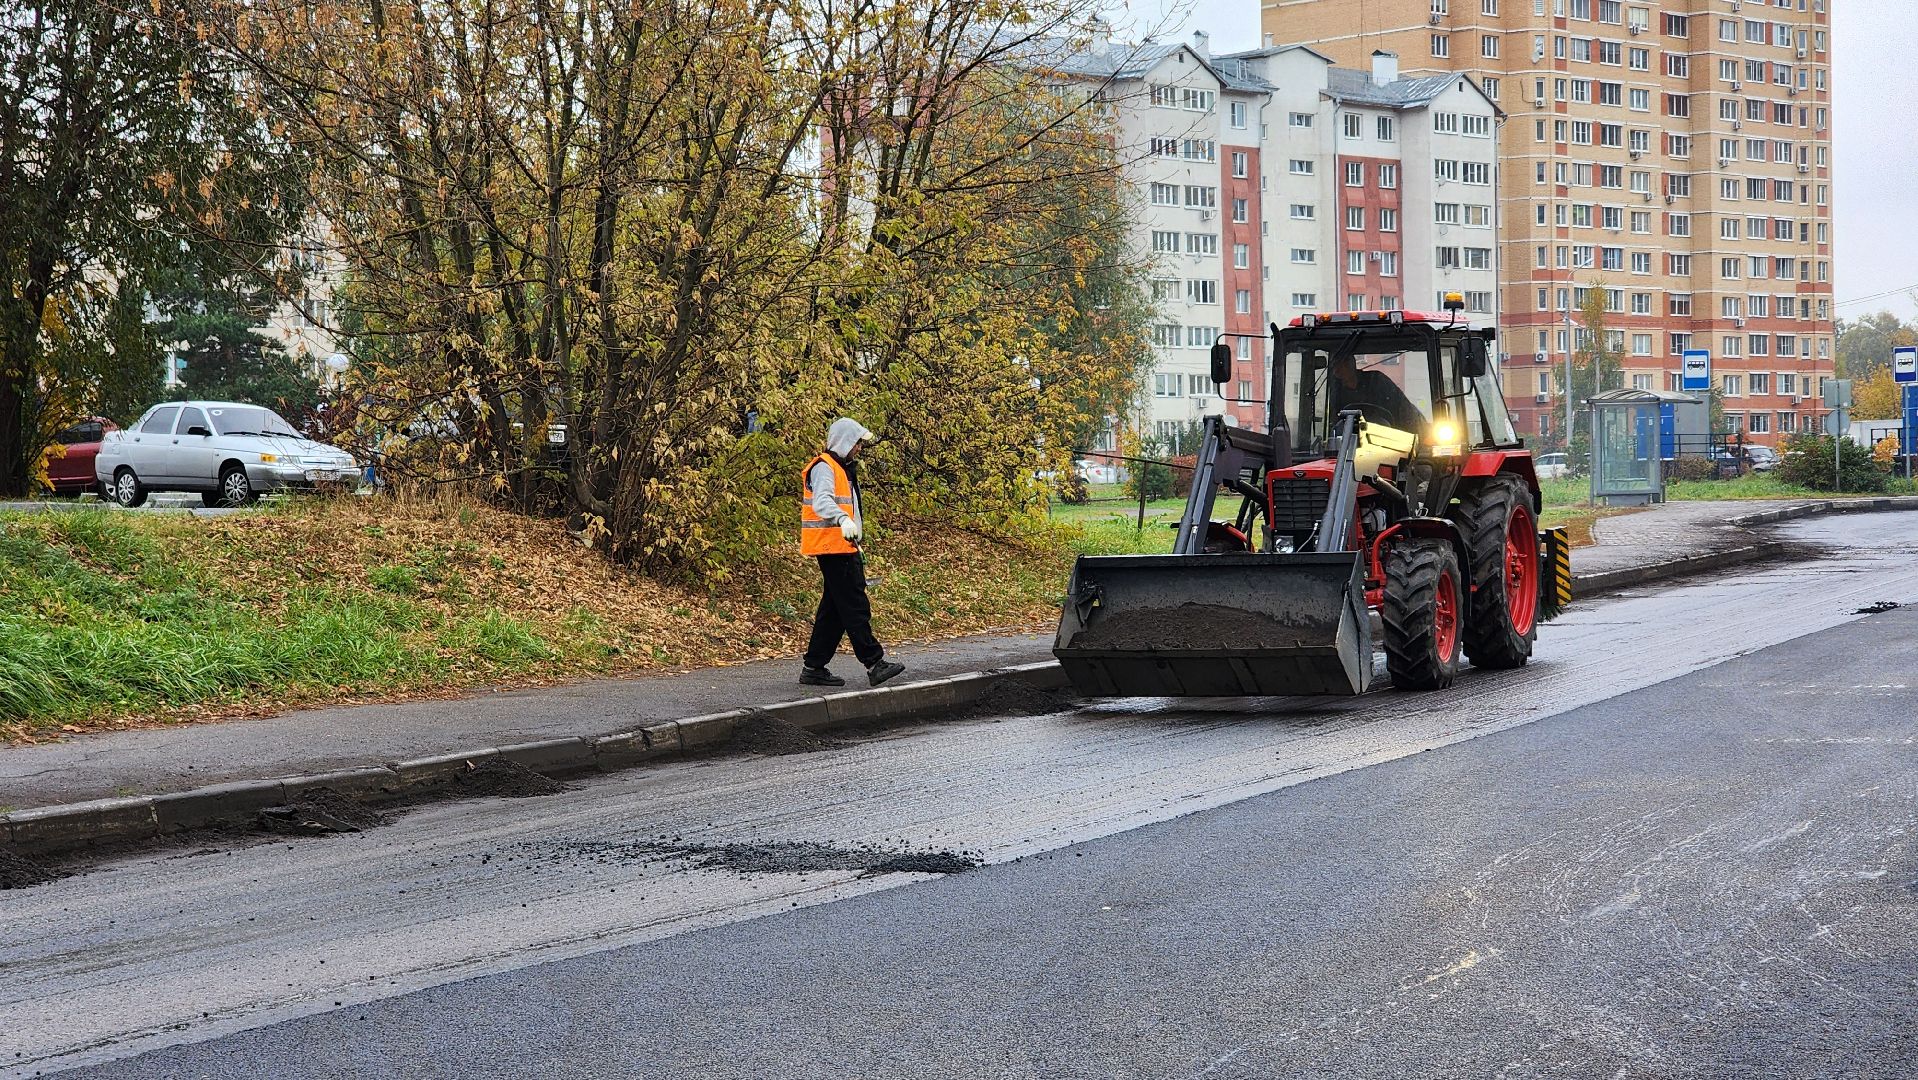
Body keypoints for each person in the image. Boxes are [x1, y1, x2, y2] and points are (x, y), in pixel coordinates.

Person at [799, 417, 906, 688]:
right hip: (833, 546)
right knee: (854, 604)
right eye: (857, 442)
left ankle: (814, 666)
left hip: (841, 545)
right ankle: (874, 663)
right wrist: (843, 520)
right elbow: (823, 502)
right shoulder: (825, 467)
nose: (859, 447)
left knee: (834, 609)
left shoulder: (840, 468)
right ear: (845, 441)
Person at [1328, 353, 1424, 432]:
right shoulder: (1334, 390)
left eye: (1341, 365)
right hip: (1346, 441)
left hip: (1386, 437)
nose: (1336, 371)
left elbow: (1402, 407)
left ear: (1351, 364)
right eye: (1334, 367)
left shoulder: (1377, 381)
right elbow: (1334, 420)